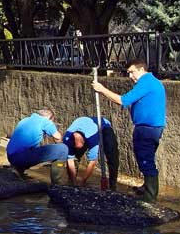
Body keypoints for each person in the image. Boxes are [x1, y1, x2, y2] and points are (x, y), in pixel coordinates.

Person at [92, 59, 166, 201]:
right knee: (146, 157)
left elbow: (123, 100)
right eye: (128, 73)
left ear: (142, 70)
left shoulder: (146, 82)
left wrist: (101, 90)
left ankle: (150, 196)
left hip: (147, 128)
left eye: (132, 72)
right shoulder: (153, 82)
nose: (130, 76)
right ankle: (147, 187)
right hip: (153, 127)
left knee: (145, 160)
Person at [6, 109, 69, 184]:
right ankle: (57, 184)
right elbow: (58, 137)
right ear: (50, 118)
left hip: (10, 157)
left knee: (32, 149)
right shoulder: (45, 122)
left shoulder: (25, 120)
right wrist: (58, 144)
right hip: (22, 157)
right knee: (63, 149)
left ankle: (18, 170)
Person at [63, 116, 119, 190]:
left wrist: (83, 181)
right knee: (76, 155)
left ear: (85, 142)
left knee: (112, 153)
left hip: (103, 126)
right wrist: (74, 183)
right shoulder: (67, 139)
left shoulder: (93, 140)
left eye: (81, 147)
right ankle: (72, 181)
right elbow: (70, 160)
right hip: (83, 123)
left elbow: (92, 162)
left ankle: (112, 185)